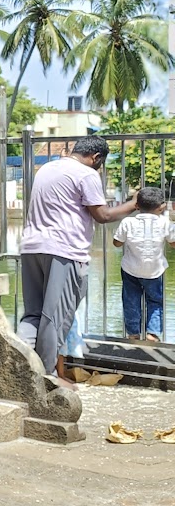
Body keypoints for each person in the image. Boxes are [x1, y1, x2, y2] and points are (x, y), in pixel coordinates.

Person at [18, 137, 138, 384]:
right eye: (101, 163)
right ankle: (47, 378)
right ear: (96, 157)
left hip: (31, 247)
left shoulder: (47, 168)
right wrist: (134, 204)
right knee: (55, 317)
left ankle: (19, 367)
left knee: (33, 315)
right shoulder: (86, 174)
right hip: (64, 251)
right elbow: (102, 215)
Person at [114, 186, 173, 342]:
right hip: (155, 270)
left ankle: (133, 333)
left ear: (136, 205)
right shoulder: (165, 222)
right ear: (161, 207)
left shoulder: (128, 222)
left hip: (130, 269)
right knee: (155, 301)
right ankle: (152, 333)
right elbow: (173, 243)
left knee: (131, 301)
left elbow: (117, 243)